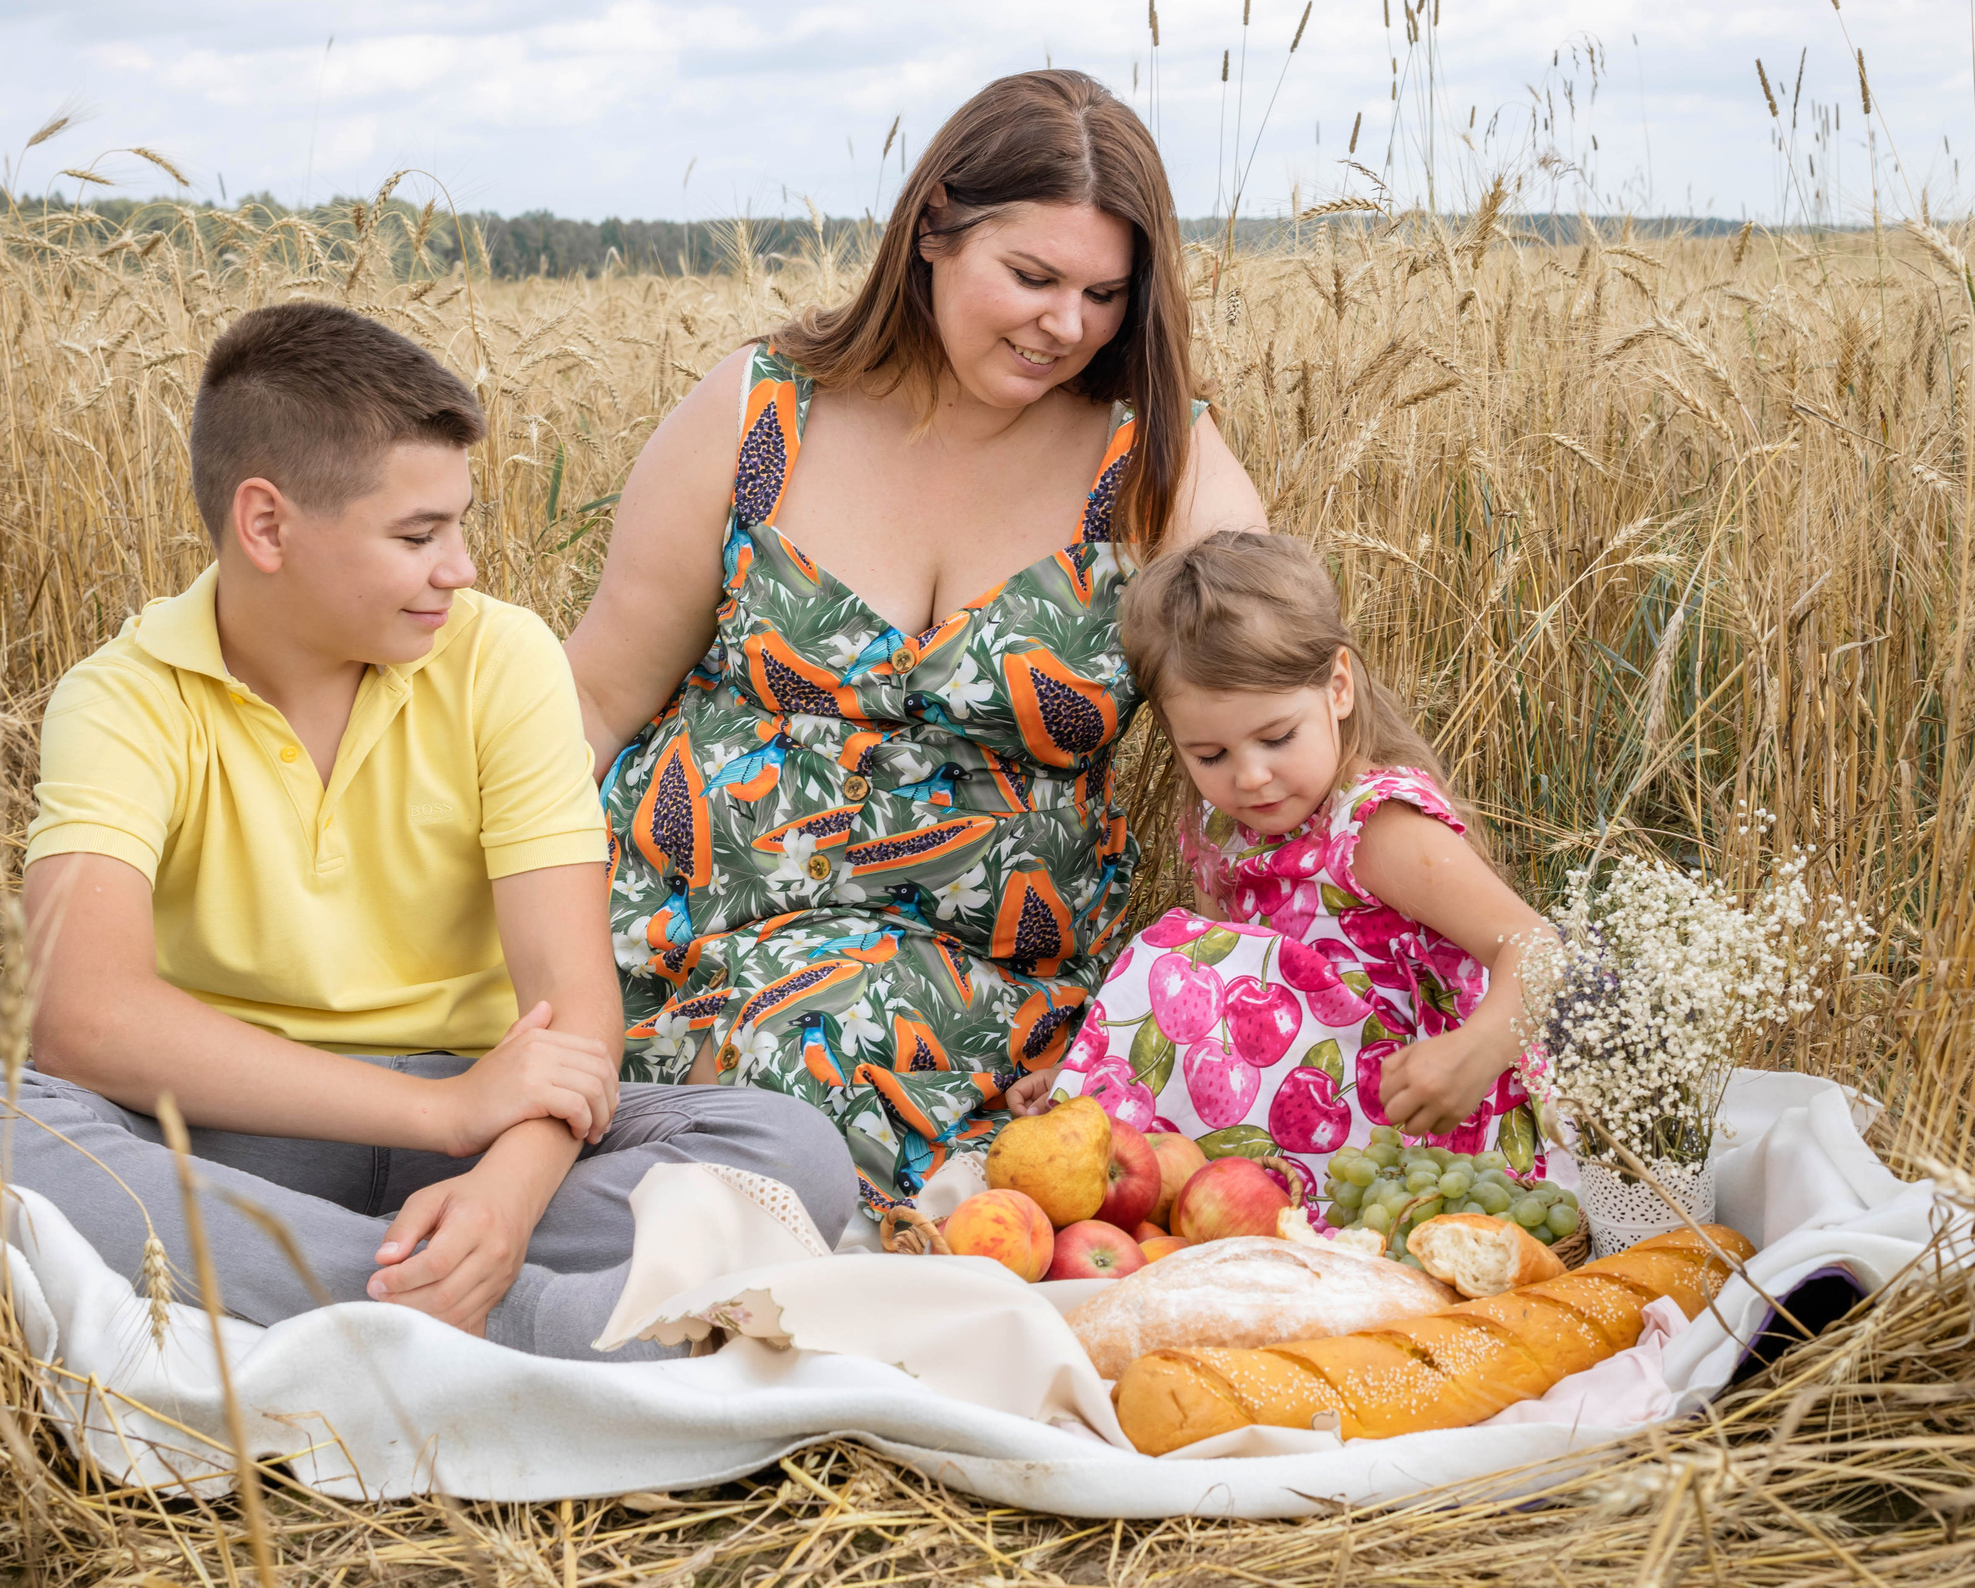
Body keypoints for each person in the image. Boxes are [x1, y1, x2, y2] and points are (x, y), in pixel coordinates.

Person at [0, 302, 852, 1355]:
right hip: (239, 1129)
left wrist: (504, 1193)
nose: (462, 568)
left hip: (479, 1115)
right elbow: (82, 1020)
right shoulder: (124, 697)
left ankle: (350, 1278)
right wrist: (445, 1122)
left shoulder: (502, 659)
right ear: (267, 526)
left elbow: (573, 1014)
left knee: (789, 1147)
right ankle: (505, 1314)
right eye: (417, 535)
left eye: (460, 523)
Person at [566, 70, 1267, 1214]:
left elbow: (1281, 720)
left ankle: (593, 1287)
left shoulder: (1157, 468)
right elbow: (593, 696)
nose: (1065, 326)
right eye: (1032, 277)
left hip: (960, 982)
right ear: (933, 225)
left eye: (1102, 294)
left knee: (795, 1062)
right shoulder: (760, 415)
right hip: (662, 926)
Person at [1027, 530, 1559, 1209]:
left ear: (1337, 686)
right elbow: (1210, 1012)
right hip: (1290, 1129)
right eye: (1209, 753)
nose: (1250, 775)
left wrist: (1476, 1051)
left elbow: (1537, 946)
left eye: (1277, 737)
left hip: (1421, 1125)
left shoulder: (1374, 827)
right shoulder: (1220, 832)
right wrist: (1099, 1073)